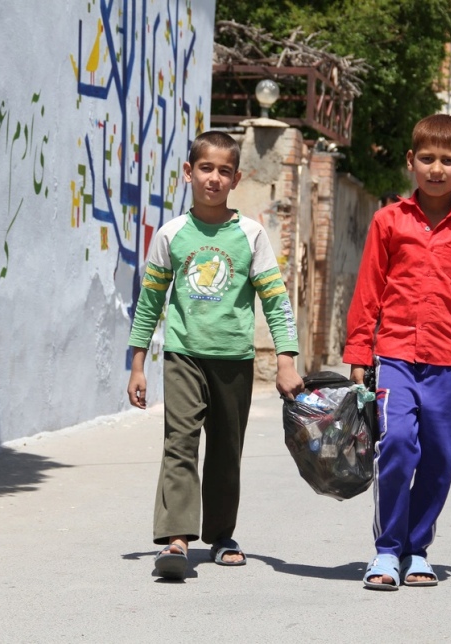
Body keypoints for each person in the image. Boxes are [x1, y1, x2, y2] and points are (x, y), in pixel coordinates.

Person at [126, 130, 304, 580]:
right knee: (179, 444)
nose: (214, 178)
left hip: (233, 360)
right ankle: (177, 538)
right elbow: (149, 303)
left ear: (236, 178)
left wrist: (286, 358)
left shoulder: (250, 235)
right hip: (183, 355)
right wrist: (137, 364)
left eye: (225, 171)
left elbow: (275, 299)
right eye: (206, 168)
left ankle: (222, 535)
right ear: (189, 172)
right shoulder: (172, 235)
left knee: (227, 451)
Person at [342, 114, 451, 590]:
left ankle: (418, 548)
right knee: (395, 447)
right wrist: (359, 350)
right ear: (412, 161)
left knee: (439, 457)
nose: (437, 168)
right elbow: (368, 290)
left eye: (449, 160)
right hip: (394, 357)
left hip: (449, 365)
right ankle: (387, 550)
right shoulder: (388, 220)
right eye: (428, 159)